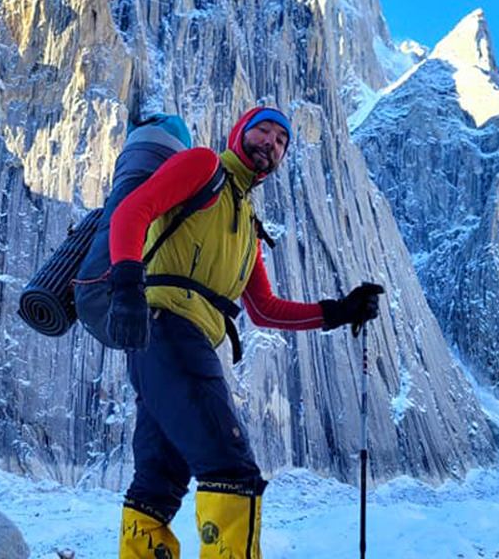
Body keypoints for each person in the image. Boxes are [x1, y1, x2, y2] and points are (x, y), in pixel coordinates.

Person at [106, 106, 384, 559]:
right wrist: (125, 289)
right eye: (263, 131)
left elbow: (264, 309)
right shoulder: (203, 167)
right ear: (239, 133)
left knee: (157, 484)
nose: (270, 143)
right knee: (233, 470)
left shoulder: (247, 224)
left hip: (168, 345)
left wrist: (340, 310)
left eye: (280, 140)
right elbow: (131, 214)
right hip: (166, 329)